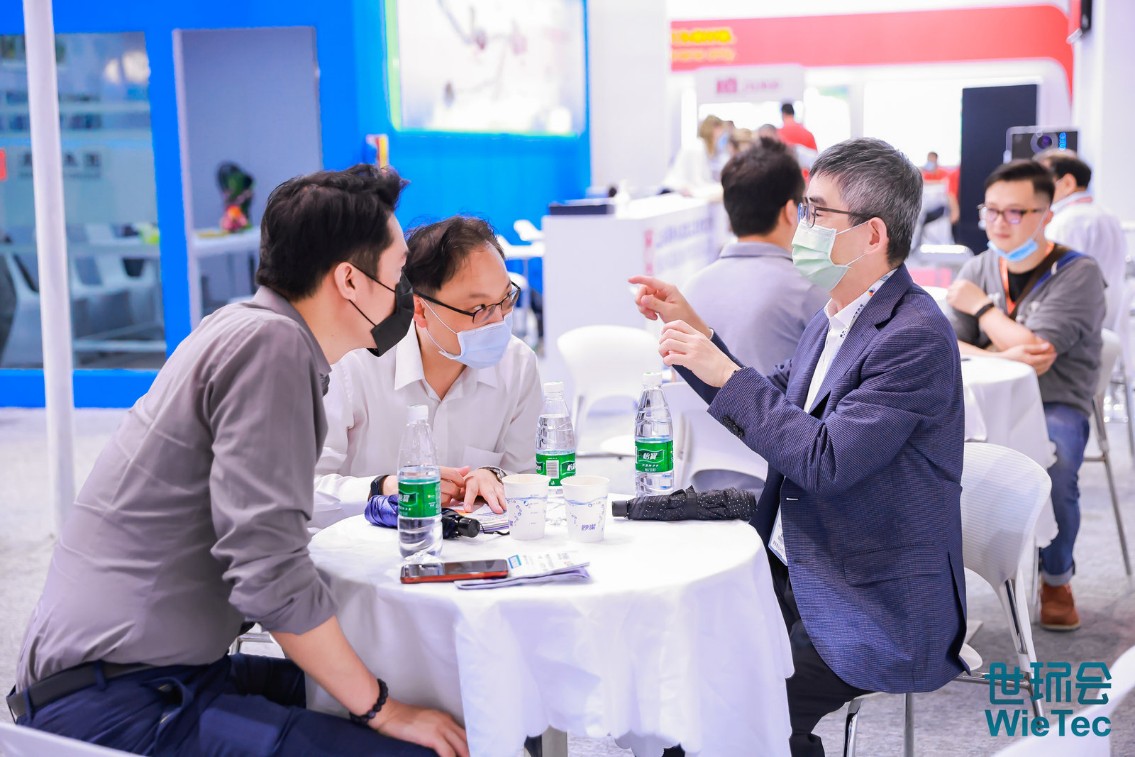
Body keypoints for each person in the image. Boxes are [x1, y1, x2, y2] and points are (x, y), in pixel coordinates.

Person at [10, 165, 468, 757]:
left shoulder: (247, 328)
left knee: (441, 700)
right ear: (350, 280)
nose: (405, 290)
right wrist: (384, 709)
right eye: (400, 271)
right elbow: (268, 572)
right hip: (125, 705)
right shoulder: (271, 347)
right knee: (424, 743)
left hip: (156, 676)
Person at [631, 138, 967, 756]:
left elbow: (824, 460)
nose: (802, 227)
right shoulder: (838, 314)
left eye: (817, 213)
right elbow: (773, 405)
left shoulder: (914, 335)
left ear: (871, 235)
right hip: (796, 565)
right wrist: (693, 331)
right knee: (673, 687)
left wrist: (725, 371)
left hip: (871, 593)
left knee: (729, 718)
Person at [946, 159, 1105, 631]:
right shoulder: (980, 265)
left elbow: (1037, 352)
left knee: (1055, 465)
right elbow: (945, 345)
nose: (999, 223)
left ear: (1046, 215)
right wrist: (1004, 349)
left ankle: (1056, 578)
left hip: (1055, 399)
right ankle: (937, 583)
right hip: (981, 401)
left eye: (1015, 212)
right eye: (991, 211)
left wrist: (981, 307)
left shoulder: (1077, 272)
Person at [314, 216, 542, 527]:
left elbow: (530, 474)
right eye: (479, 309)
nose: (499, 321)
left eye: (506, 300)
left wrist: (495, 477)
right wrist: (383, 488)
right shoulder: (354, 363)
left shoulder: (517, 364)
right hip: (365, 548)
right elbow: (306, 490)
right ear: (420, 309)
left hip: (475, 547)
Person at [1036, 150, 1128, 331]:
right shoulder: (1106, 215)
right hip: (1109, 321)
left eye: (1041, 182)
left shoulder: (1066, 222)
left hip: (1075, 325)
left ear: (1067, 183)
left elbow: (1058, 281)